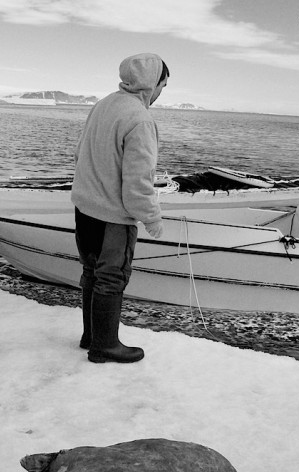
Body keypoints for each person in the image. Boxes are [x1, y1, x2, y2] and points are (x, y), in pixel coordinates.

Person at [71, 53, 169, 364]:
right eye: (162, 86)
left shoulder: (104, 104)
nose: (160, 93)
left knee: (91, 272)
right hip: (112, 217)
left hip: (84, 209)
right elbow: (138, 183)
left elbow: (80, 154)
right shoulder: (140, 119)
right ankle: (106, 346)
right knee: (111, 277)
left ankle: (92, 337)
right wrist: (152, 218)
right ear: (151, 84)